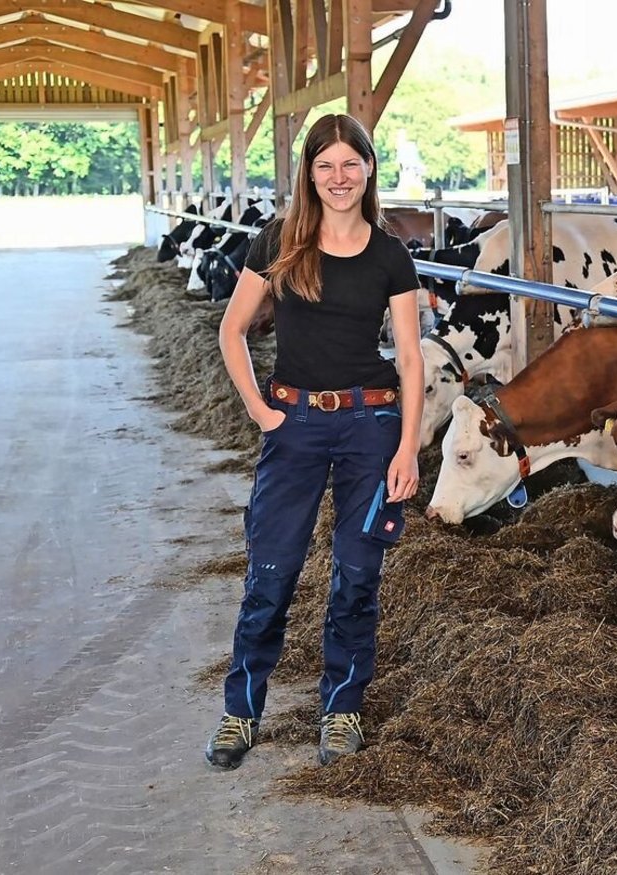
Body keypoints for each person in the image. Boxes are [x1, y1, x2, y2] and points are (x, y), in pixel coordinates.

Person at [206, 113, 423, 769]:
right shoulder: (278, 240)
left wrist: (409, 447)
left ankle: (341, 710)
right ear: (308, 173)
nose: (338, 177)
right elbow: (232, 329)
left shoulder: (391, 254)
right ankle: (240, 713)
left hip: (370, 424)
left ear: (369, 169)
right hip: (294, 424)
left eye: (350, 163)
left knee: (358, 575)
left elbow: (411, 359)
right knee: (270, 572)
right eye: (325, 165)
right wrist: (262, 412)